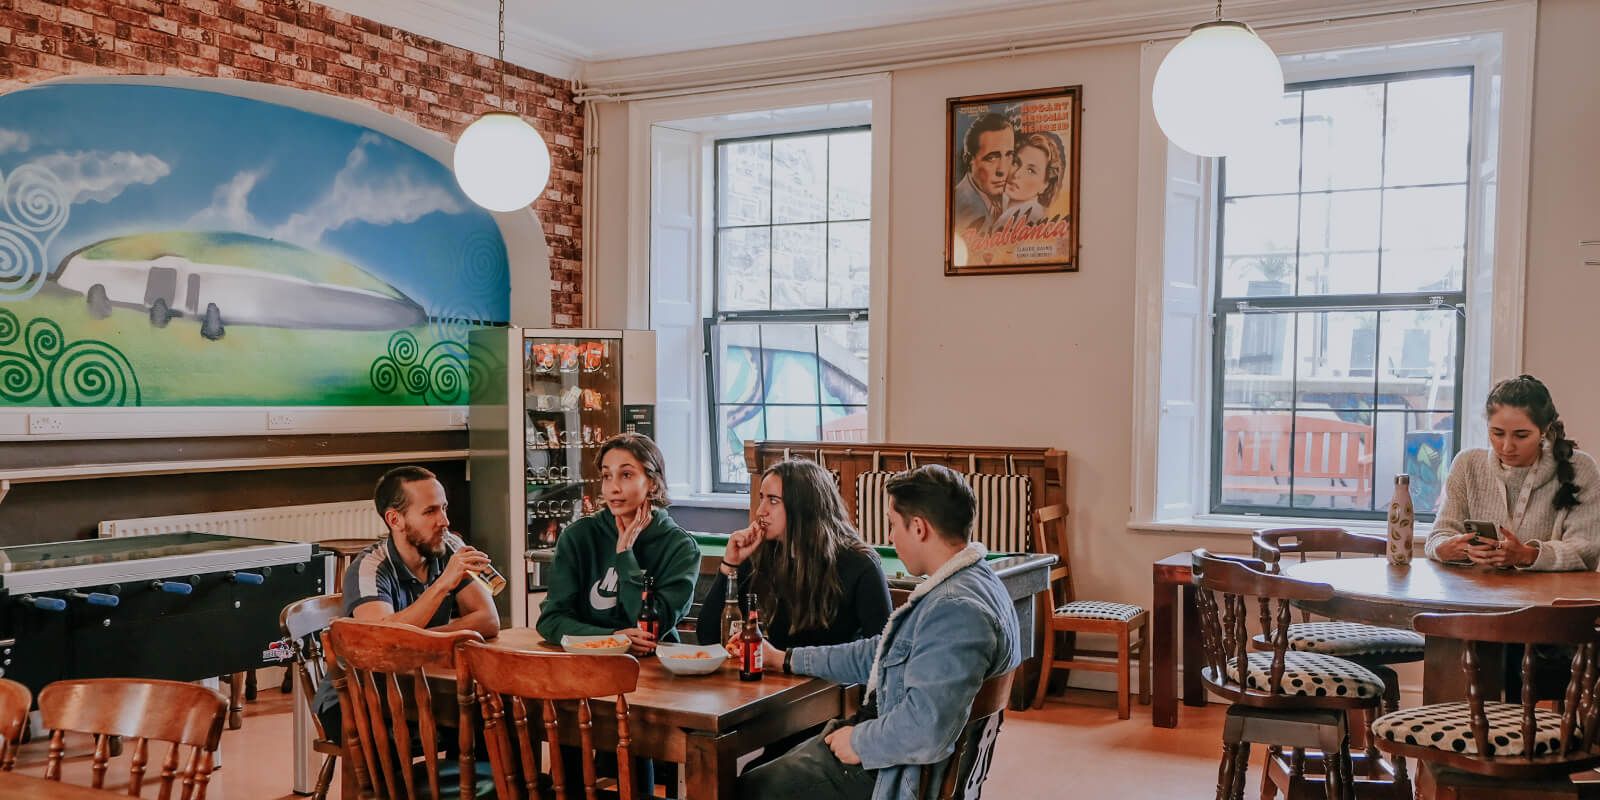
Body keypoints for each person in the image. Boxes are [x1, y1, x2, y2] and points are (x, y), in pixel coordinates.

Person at [738, 465, 1020, 800]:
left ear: (918, 528)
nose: (889, 537)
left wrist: (857, 740)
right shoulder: (976, 581)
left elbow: (926, 729)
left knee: (750, 787)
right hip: (886, 752)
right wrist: (786, 659)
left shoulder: (955, 610)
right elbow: (881, 652)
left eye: (891, 523)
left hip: (893, 775)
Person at [313, 465, 501, 741]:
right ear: (395, 519)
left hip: (419, 688)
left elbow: (488, 620)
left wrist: (418, 643)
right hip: (357, 699)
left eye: (444, 508)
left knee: (496, 720)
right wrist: (442, 585)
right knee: (402, 744)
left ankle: (483, 786)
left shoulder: (447, 547)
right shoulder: (368, 566)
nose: (444, 521)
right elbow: (384, 642)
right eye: (430, 512)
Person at [696, 458, 891, 650]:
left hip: (827, 682)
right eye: (761, 498)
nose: (760, 511)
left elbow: (880, 654)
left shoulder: (859, 565)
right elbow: (707, 637)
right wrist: (730, 564)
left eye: (773, 500)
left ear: (804, 507)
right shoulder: (759, 556)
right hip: (764, 679)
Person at [537, 432, 700, 654]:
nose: (613, 487)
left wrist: (625, 554)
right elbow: (551, 621)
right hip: (584, 665)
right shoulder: (578, 536)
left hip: (653, 670)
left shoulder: (680, 547)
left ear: (652, 482)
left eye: (626, 475)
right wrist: (612, 639)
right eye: (606, 476)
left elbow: (653, 628)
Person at [1427, 375, 1600, 571]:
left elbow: (1587, 550)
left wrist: (1529, 555)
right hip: (1478, 594)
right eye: (1497, 433)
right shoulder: (1467, 464)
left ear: (1544, 430)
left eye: (1521, 435)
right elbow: (1439, 535)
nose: (1507, 447)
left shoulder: (1581, 467)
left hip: (1549, 597)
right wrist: (1448, 548)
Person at [988, 130, 1065, 233]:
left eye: (1031, 171)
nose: (1016, 174)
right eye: (1016, 162)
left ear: (1045, 185)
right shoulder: (1004, 209)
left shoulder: (1026, 217)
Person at [950, 112, 1016, 234]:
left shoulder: (1014, 197)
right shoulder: (957, 207)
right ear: (969, 160)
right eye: (991, 158)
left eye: (1009, 155)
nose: (1002, 170)